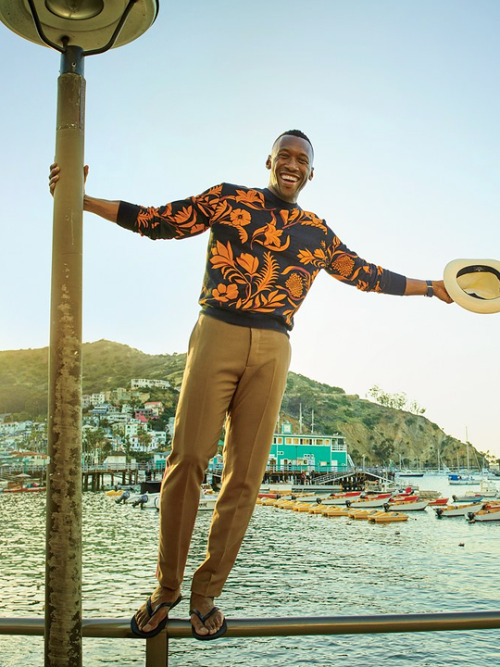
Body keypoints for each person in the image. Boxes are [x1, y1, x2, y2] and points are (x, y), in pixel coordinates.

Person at [49, 130, 452, 640]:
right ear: (269, 160)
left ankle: (205, 596)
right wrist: (80, 200)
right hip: (217, 329)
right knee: (187, 459)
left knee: (245, 477)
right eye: (284, 154)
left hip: (274, 346)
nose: (292, 163)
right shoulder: (229, 199)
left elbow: (365, 274)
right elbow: (158, 222)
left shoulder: (317, 232)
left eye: (301, 159)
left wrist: (431, 289)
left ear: (311, 173)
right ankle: (165, 588)